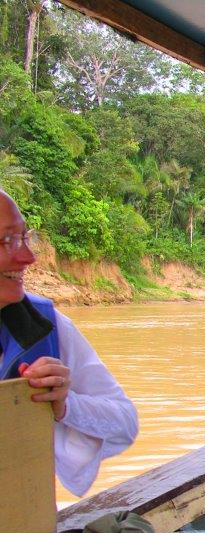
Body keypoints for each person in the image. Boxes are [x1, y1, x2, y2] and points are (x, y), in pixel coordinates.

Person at [0, 188, 138, 496]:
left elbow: (124, 422)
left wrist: (65, 405)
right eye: (7, 241)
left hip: (26, 519)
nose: (28, 257)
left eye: (24, 237)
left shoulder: (44, 325)